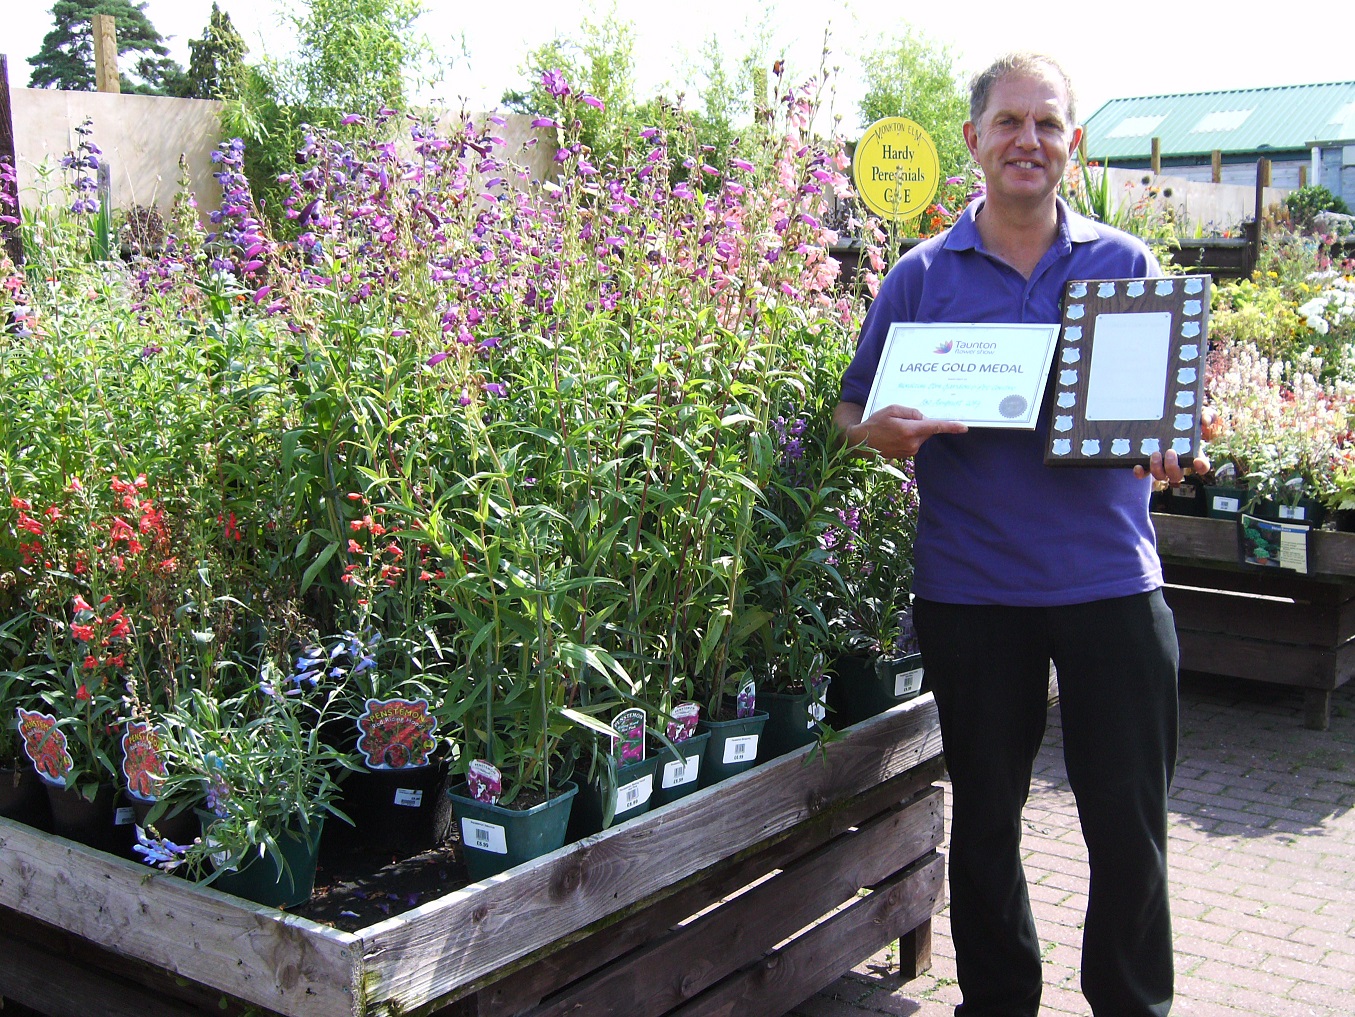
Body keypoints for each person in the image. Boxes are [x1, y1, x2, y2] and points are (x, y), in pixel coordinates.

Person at [833, 53, 1206, 1017]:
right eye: (1008, 122)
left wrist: (1172, 443)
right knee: (987, 823)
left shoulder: (1124, 265)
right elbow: (849, 410)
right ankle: (996, 1003)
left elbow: (1165, 412)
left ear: (1070, 143)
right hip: (972, 592)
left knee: (1128, 827)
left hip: (1110, 587)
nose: (1026, 140)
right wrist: (875, 435)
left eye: (1045, 123)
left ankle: (1132, 1004)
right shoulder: (920, 276)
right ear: (974, 139)